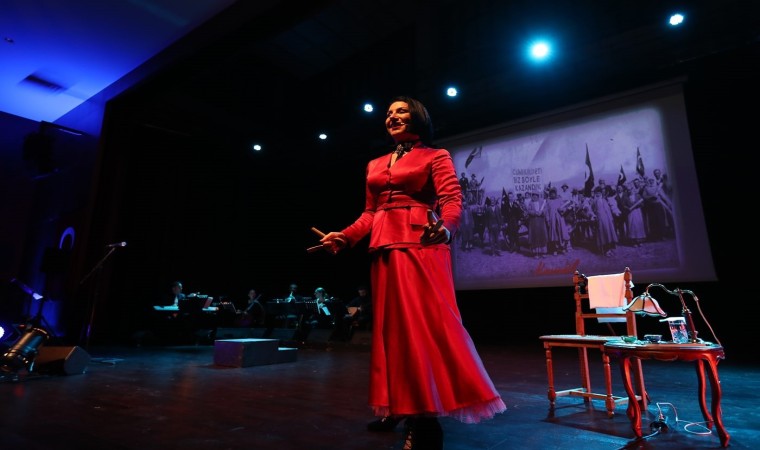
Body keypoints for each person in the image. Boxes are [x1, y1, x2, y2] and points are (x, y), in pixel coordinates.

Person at [319, 96, 506, 449]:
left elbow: (451, 199)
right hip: (384, 250)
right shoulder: (374, 164)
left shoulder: (436, 156)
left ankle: (424, 420)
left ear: (417, 117)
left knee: (420, 330)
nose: (392, 117)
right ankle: (397, 404)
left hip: (421, 244)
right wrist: (345, 237)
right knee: (391, 333)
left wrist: (447, 227)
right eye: (389, 113)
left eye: (401, 111)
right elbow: (371, 213)